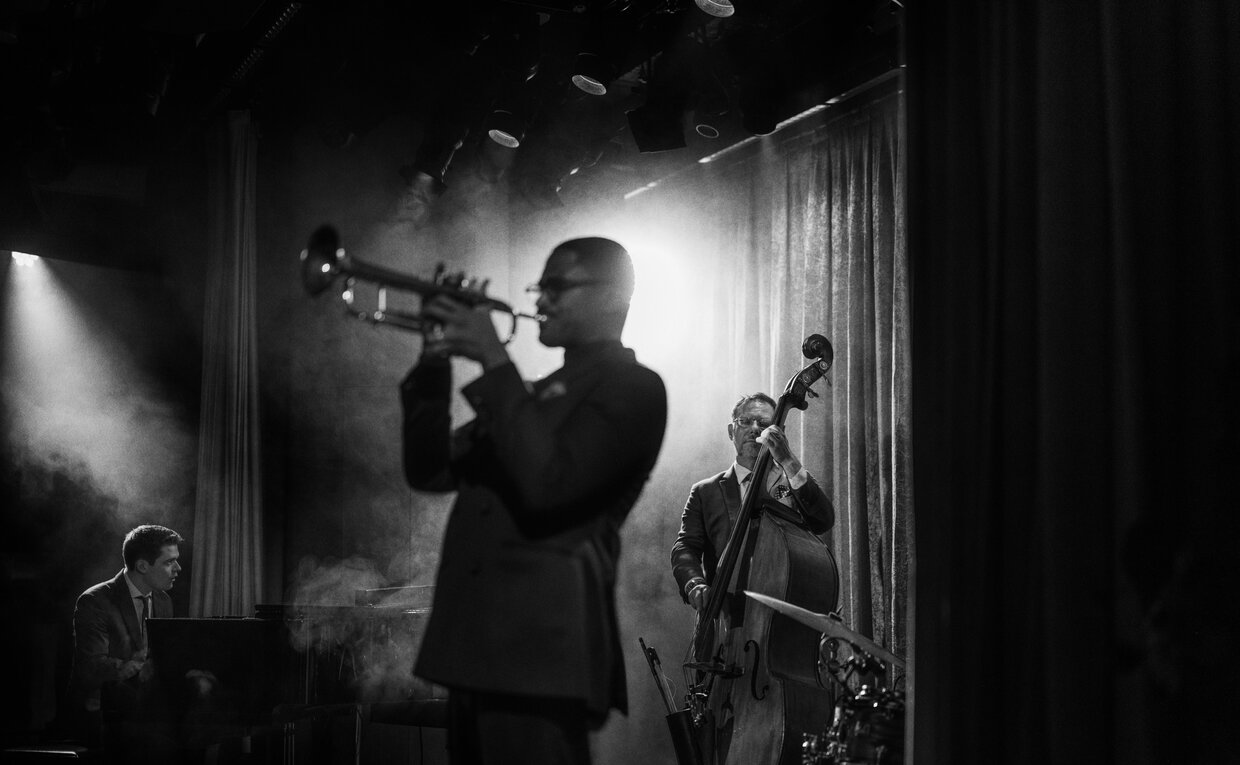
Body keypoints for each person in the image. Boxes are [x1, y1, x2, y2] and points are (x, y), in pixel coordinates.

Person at [400, 237, 667, 765]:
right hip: (475, 654)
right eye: (538, 287)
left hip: (541, 657)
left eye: (556, 286)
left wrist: (493, 357)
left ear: (612, 296)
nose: (540, 301)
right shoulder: (534, 397)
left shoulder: (635, 388)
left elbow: (549, 487)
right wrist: (435, 361)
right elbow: (430, 471)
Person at [671, 393, 835, 612]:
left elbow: (823, 520)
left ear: (780, 432)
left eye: (764, 423)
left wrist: (788, 460)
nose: (755, 428)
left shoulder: (794, 480)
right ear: (731, 431)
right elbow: (685, 547)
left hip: (783, 612)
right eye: (745, 422)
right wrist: (694, 583)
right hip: (725, 617)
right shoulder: (704, 492)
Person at [66, 524, 182, 757]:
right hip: (104, 712)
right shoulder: (95, 600)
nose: (178, 568)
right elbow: (93, 667)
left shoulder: (163, 600)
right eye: (169, 562)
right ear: (142, 566)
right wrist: (141, 667)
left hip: (145, 710)